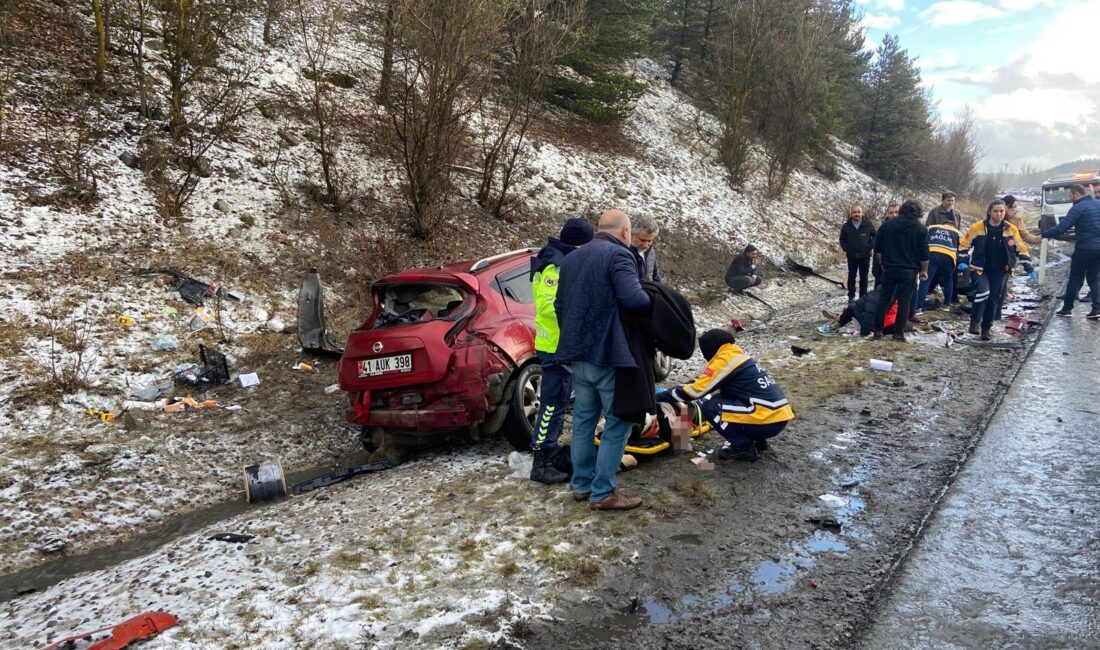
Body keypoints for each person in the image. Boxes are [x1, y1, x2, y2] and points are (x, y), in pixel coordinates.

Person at [555, 209, 651, 511]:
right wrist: (654, 297)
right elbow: (635, 300)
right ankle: (603, 492)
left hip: (578, 354)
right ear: (625, 232)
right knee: (618, 421)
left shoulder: (571, 259)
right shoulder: (618, 256)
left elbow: (560, 305)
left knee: (583, 421)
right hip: (609, 355)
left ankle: (581, 485)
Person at [656, 329, 793, 462]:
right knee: (727, 398)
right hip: (777, 416)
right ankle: (759, 441)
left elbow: (695, 391)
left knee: (711, 406)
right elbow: (705, 382)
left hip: (766, 419)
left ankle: (744, 448)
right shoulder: (739, 357)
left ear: (710, 348)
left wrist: (658, 396)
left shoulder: (724, 360)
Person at [528, 217, 594, 484]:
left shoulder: (559, 260)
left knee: (558, 403)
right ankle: (541, 462)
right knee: (552, 406)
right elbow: (548, 306)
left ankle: (551, 452)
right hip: (555, 346)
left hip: (562, 345)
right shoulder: (554, 265)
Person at [960, 199, 1034, 339]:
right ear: (989, 212)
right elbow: (964, 244)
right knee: (983, 292)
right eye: (996, 211)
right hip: (980, 268)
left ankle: (986, 328)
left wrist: (1028, 266)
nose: (999, 214)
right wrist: (963, 260)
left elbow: (1020, 248)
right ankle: (974, 323)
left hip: (1000, 270)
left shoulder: (1010, 229)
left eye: (1002, 211)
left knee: (993, 299)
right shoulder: (978, 227)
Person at [1041, 183, 1100, 319]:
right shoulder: (1098, 204)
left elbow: (1063, 227)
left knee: (1075, 277)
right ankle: (1097, 308)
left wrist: (1045, 234)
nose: (1070, 198)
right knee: (1094, 278)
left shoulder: (1078, 207)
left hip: (1084, 248)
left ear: (1077, 194)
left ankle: (1067, 309)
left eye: (1070, 196)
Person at [871, 199, 928, 341]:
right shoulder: (921, 229)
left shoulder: (887, 226)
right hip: (909, 271)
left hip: (889, 268)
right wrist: (923, 271)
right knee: (904, 302)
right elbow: (924, 254)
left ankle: (878, 330)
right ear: (918, 212)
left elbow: (877, 248)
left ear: (902, 210)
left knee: (884, 299)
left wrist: (883, 263)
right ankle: (898, 333)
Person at [915, 217, 962, 313]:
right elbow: (963, 246)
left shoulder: (932, 227)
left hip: (932, 254)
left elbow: (921, 236)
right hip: (949, 256)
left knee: (926, 280)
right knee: (948, 280)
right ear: (953, 226)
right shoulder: (957, 232)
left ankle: (918, 307)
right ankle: (947, 305)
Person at [817, 286, 898, 337]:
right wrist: (865, 331)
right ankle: (836, 323)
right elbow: (869, 310)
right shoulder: (884, 292)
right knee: (851, 309)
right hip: (870, 318)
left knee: (852, 309)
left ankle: (838, 320)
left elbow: (871, 311)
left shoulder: (889, 291)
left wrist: (866, 331)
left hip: (880, 322)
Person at [839, 204, 876, 303]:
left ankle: (862, 296)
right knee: (852, 276)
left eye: (859, 212)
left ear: (862, 213)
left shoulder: (868, 224)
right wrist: (846, 248)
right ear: (851, 214)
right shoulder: (846, 226)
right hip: (852, 256)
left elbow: (875, 236)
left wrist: (870, 246)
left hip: (865, 256)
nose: (857, 214)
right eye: (854, 212)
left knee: (864, 277)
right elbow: (842, 239)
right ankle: (851, 296)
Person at [872, 202, 900, 285]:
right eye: (891, 213)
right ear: (888, 214)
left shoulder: (906, 228)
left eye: (896, 212)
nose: (894, 215)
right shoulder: (883, 228)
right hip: (884, 267)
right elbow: (877, 248)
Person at [631, 215, 661, 283]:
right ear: (631, 234)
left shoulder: (651, 251)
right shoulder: (623, 253)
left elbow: (656, 277)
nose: (646, 245)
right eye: (642, 240)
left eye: (649, 241)